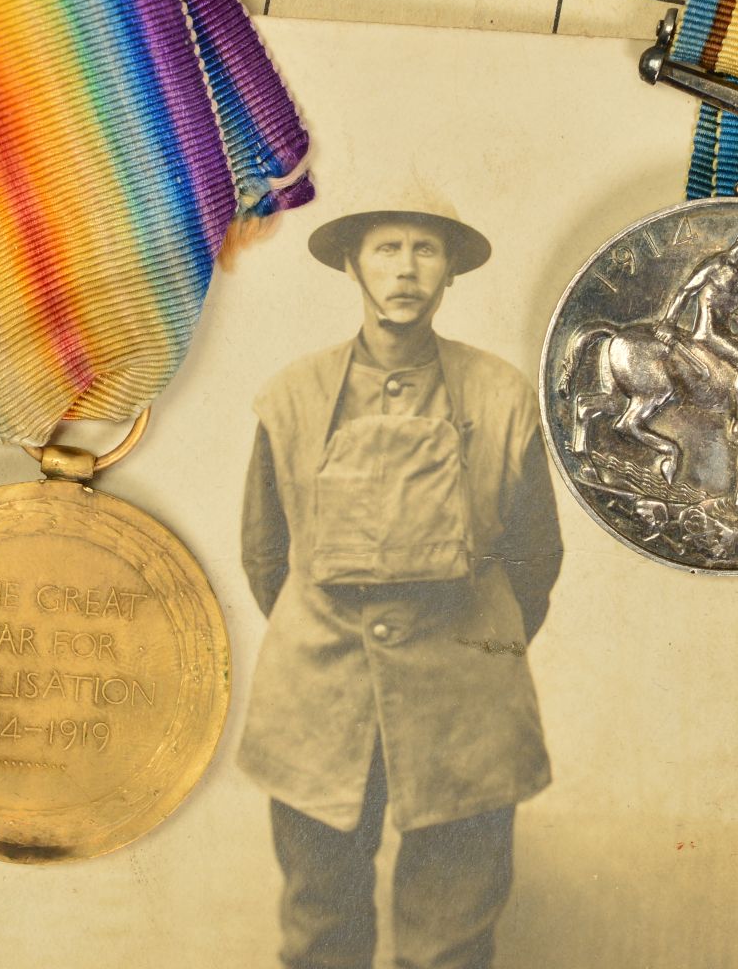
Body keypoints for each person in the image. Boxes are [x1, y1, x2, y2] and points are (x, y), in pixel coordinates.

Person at [238, 194, 562, 969]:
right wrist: (328, 630)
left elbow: (534, 559)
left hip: (463, 708)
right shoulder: (290, 396)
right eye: (386, 249)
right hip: (319, 702)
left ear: (451, 270)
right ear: (352, 264)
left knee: (451, 940)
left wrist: (470, 646)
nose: (405, 269)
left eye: (425, 249)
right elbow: (265, 556)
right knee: (319, 930)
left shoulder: (503, 396)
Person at [655, 227, 738, 449]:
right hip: (707, 332)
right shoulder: (716, 264)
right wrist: (669, 322)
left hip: (726, 330)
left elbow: (726, 309)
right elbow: (685, 291)